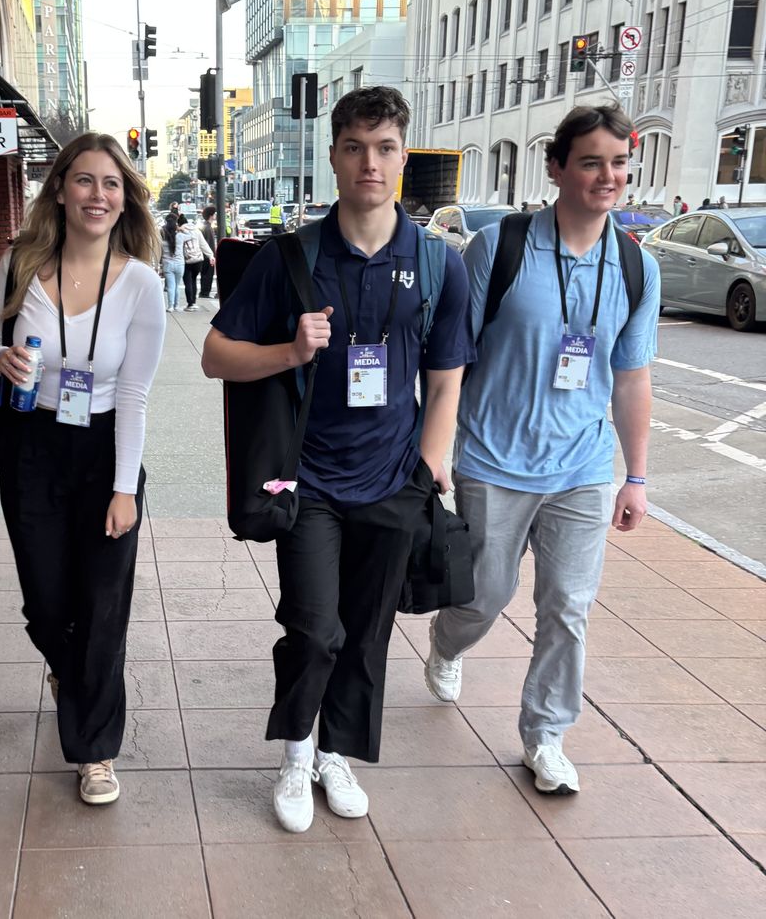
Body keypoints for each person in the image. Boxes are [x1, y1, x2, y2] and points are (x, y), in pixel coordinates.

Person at [201, 86, 471, 833]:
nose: (370, 163)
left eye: (384, 148)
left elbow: (446, 376)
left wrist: (431, 461)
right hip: (306, 480)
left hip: (393, 481)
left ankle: (336, 755)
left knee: (367, 631)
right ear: (334, 157)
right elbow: (214, 355)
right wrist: (289, 350)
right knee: (315, 628)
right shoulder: (292, 259)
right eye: (354, 147)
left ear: (403, 156)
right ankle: (296, 751)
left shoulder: (438, 265)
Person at [425, 104, 659, 796]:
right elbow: (452, 355)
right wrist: (436, 445)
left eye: (618, 163)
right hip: (494, 458)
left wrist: (636, 476)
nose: (607, 176)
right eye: (590, 161)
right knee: (485, 594)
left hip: (582, 468)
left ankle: (546, 734)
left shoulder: (636, 267)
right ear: (557, 168)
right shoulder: (502, 247)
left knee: (568, 606)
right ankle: (448, 640)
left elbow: (632, 376)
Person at [0, 132, 166, 806]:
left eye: (111, 184)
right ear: (59, 188)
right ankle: (68, 669)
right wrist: (0, 361)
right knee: (48, 601)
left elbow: (137, 392)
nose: (98, 195)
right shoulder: (22, 263)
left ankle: (94, 750)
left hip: (107, 447)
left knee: (104, 606)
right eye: (84, 181)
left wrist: (124, 488)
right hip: (32, 445)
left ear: (125, 198)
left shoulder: (142, 283)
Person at [179, 212, 214, 312]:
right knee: (194, 280)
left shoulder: (180, 232)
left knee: (188, 282)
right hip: (198, 260)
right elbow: (203, 244)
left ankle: (190, 303)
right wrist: (211, 255)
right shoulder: (196, 231)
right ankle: (194, 302)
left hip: (186, 260)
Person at [159, 212, 187, 312]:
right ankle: (176, 305)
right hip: (180, 263)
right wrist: (181, 229)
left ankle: (170, 306)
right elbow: (191, 236)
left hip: (167, 264)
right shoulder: (180, 236)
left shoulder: (162, 237)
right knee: (177, 285)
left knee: (170, 286)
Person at [199, 206, 219, 299]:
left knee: (204, 275)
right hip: (208, 256)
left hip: (205, 255)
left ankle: (204, 292)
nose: (215, 215)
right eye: (214, 213)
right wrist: (211, 255)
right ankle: (205, 292)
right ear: (211, 215)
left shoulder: (205, 227)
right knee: (208, 275)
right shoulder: (208, 228)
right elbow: (208, 243)